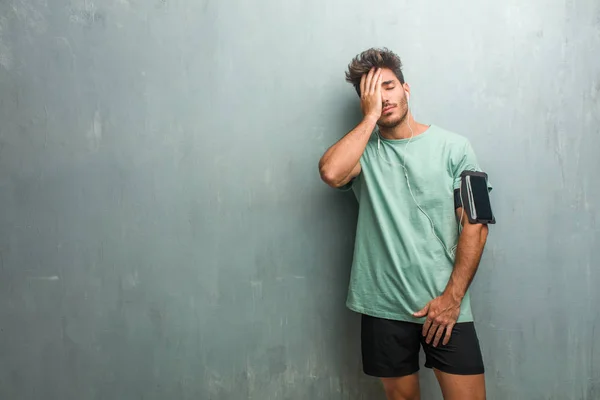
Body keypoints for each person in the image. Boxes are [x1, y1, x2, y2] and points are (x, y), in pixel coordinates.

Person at [318, 48, 492, 400]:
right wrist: (369, 120)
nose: (384, 98)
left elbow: (477, 223)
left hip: (445, 305)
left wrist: (452, 299)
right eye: (373, 93)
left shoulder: (455, 148)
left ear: (405, 89)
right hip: (383, 306)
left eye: (389, 86)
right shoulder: (362, 153)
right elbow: (331, 173)